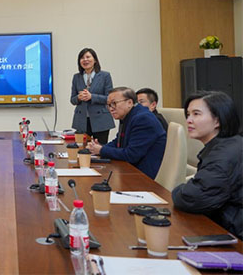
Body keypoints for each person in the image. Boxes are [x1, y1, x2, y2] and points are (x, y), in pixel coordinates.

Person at [172, 91, 242, 239]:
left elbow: (191, 198)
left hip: (234, 237)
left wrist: (178, 189)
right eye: (188, 114)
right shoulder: (229, 144)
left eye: (196, 114)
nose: (189, 120)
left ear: (218, 121)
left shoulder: (223, 156)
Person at [87, 87, 166, 179]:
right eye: (108, 105)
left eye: (114, 103)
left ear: (129, 103)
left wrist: (101, 150)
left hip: (143, 176)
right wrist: (99, 147)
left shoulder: (143, 119)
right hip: (130, 169)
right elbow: (118, 142)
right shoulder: (129, 116)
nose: (110, 109)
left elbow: (132, 155)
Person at [70, 48, 115, 144]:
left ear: (95, 60)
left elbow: (109, 98)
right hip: (82, 119)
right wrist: (78, 97)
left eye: (88, 57)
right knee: (82, 148)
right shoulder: (76, 77)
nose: (85, 60)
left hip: (101, 119)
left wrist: (92, 97)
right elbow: (72, 100)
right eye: (82, 58)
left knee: (100, 148)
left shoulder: (105, 76)